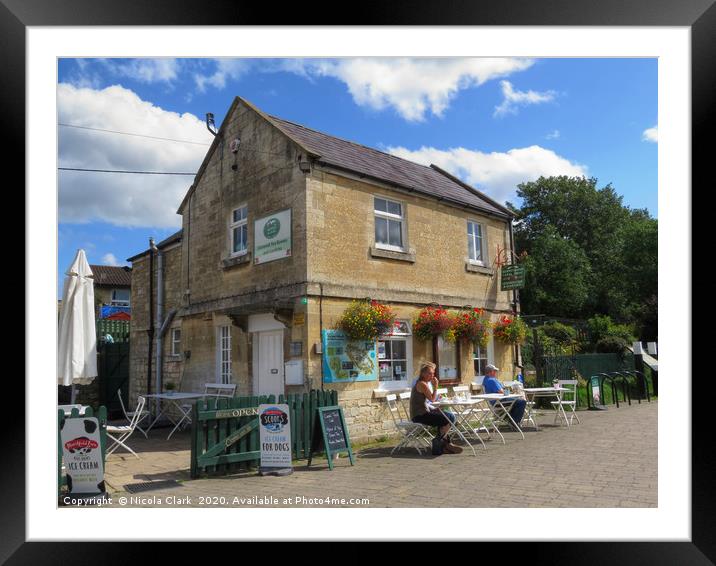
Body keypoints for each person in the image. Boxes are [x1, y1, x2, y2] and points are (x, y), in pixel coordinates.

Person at [409, 362, 463, 454]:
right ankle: (442, 444)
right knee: (446, 419)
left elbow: (427, 402)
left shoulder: (424, 383)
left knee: (449, 416)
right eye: (430, 373)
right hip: (419, 416)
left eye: (433, 373)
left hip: (424, 412)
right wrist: (435, 387)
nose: (432, 375)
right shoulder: (422, 384)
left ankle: (443, 444)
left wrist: (434, 409)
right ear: (423, 374)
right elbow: (432, 399)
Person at [482, 363, 527, 430]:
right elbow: (501, 391)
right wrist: (510, 392)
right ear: (491, 372)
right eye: (495, 371)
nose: (495, 373)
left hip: (496, 401)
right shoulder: (491, 380)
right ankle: (514, 422)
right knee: (521, 402)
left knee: (516, 401)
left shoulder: (485, 379)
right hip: (498, 402)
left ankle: (511, 420)